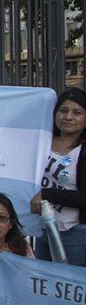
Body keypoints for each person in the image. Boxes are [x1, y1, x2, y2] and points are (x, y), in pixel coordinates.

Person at [31, 87, 86, 266]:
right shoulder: (43, 142)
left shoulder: (82, 151)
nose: (68, 117)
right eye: (63, 110)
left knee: (71, 288)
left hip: (74, 233)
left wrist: (47, 194)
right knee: (44, 285)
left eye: (77, 112)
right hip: (43, 228)